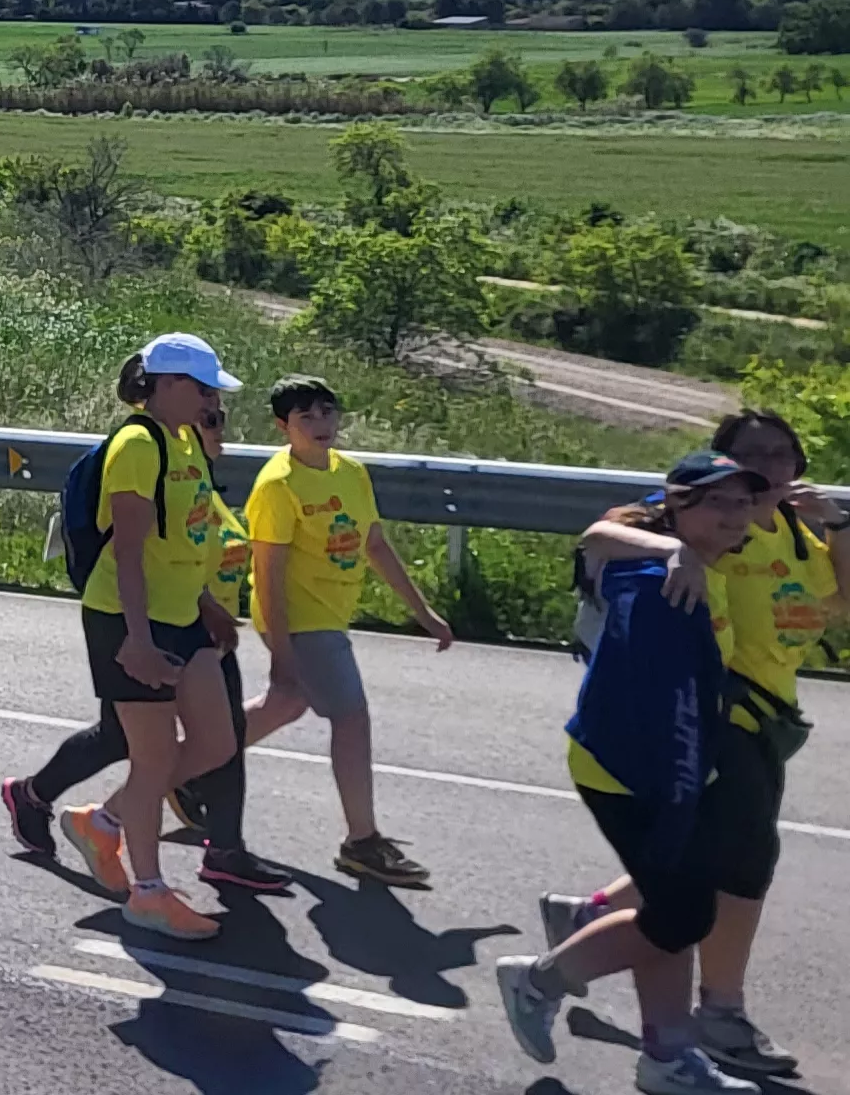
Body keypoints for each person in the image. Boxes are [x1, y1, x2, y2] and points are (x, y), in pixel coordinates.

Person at [525, 410, 838, 1085]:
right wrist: (673, 551)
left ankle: (662, 1043)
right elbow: (606, 541)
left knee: (685, 891)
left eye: (782, 457)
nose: (741, 504)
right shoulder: (672, 567)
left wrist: (837, 528)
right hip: (681, 747)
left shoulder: (781, 530)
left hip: (734, 730)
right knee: (713, 885)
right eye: (752, 459)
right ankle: (690, 1010)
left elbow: (833, 604)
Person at [494, 453, 780, 1095]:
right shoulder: (664, 585)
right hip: (633, 769)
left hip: (671, 763)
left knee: (668, 907)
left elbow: (610, 531)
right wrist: (682, 795)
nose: (737, 515)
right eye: (720, 503)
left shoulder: (689, 559)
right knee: (680, 916)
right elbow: (667, 709)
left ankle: (667, 1059)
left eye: (743, 502)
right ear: (677, 506)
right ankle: (538, 981)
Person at [5, 333, 254, 941]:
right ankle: (148, 891)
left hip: (182, 615)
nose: (209, 400)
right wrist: (138, 640)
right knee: (154, 758)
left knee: (216, 743)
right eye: (201, 388)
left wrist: (204, 606)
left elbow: (181, 542)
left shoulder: (186, 443)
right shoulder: (139, 446)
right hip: (126, 618)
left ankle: (104, 821)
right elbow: (132, 552)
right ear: (165, 384)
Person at [233, 376, 454, 889]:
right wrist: (282, 651)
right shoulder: (277, 485)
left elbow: (374, 544)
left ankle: (188, 768)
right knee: (351, 718)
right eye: (305, 416)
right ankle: (362, 841)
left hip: (329, 614)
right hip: (298, 617)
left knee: (286, 705)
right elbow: (266, 575)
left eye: (327, 413)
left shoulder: (351, 473)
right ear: (282, 426)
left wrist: (423, 612)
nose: (321, 425)